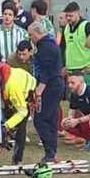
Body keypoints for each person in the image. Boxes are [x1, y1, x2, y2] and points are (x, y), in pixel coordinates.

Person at [30, 21, 64, 164]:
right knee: (51, 119)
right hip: (54, 85)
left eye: (31, 35)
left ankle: (50, 151)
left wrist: (39, 91)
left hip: (51, 86)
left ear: (37, 33)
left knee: (40, 119)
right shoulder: (47, 43)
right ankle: (52, 152)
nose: (30, 37)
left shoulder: (47, 47)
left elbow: (47, 70)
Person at [0, 62, 38, 164]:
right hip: (18, 86)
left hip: (27, 94)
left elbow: (22, 112)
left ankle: (17, 159)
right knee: (6, 117)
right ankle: (8, 133)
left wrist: (6, 127)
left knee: (21, 126)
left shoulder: (12, 89)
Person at [61, 2, 90, 87]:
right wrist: (63, 65)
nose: (68, 18)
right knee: (73, 99)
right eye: (67, 16)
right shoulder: (66, 28)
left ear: (78, 13)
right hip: (71, 71)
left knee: (88, 97)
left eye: (71, 16)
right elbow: (63, 48)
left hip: (85, 71)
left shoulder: (87, 26)